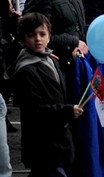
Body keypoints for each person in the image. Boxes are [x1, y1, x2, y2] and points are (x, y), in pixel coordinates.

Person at [7, 12, 84, 176]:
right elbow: (35, 111)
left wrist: (70, 62)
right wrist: (67, 112)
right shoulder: (26, 70)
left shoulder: (50, 59)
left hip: (57, 141)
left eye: (42, 34)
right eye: (31, 35)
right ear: (22, 40)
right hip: (43, 144)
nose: (38, 39)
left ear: (49, 36)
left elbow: (57, 85)